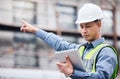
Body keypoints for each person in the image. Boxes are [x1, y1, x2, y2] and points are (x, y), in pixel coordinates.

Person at [20, 3, 119, 79]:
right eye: (81, 27)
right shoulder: (80, 49)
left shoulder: (106, 52)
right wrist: (36, 30)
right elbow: (59, 43)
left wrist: (72, 72)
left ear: (99, 24)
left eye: (88, 26)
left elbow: (101, 77)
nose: (84, 31)